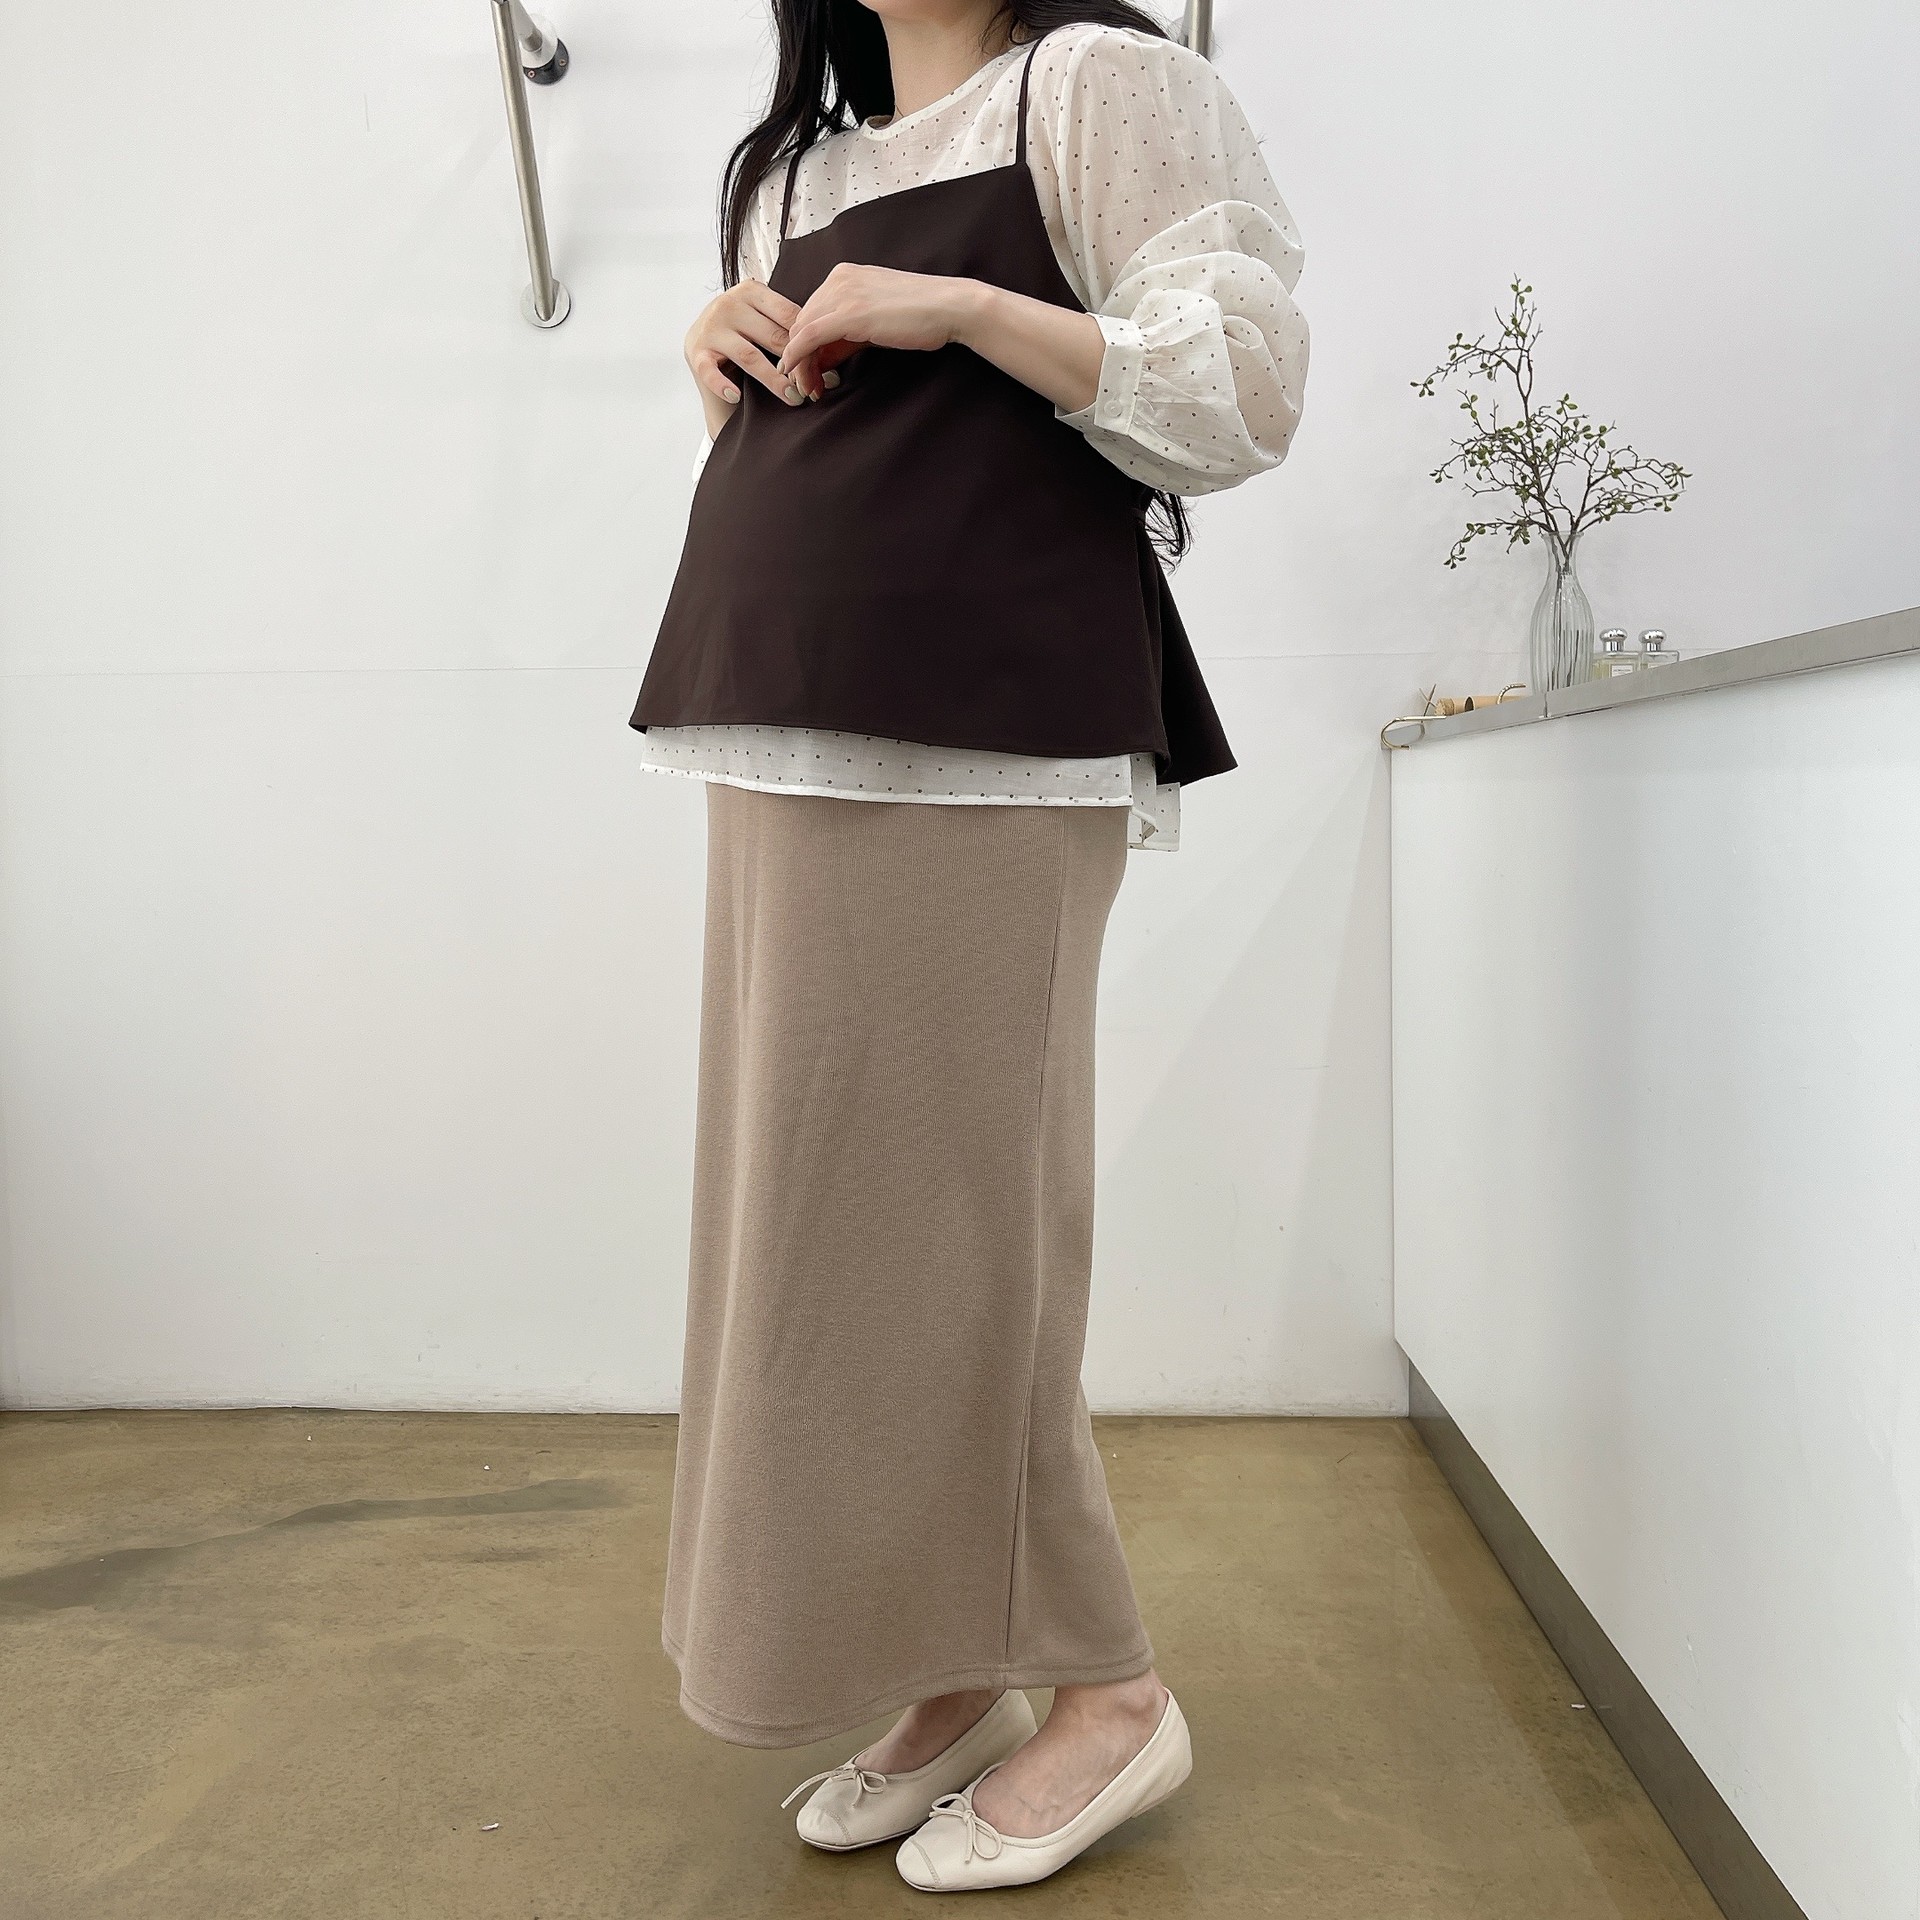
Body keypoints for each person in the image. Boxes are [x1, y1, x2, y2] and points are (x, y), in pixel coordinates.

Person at [627, 0, 1307, 1891]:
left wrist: (970, 307)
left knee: (956, 1227)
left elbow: (1240, 391)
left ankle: (1108, 1685)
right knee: (817, 1231)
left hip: (991, 731)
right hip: (778, 714)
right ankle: (954, 1661)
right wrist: (718, 355)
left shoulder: (1095, 88)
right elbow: (834, 447)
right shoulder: (794, 169)